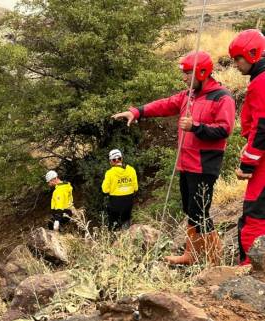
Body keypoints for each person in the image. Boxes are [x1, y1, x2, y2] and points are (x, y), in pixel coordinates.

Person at [112, 51, 235, 266]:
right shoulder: (188, 95)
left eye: (188, 73)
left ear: (203, 72)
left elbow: (225, 129)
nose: (185, 78)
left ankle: (214, 259)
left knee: (199, 212)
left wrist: (196, 127)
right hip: (186, 164)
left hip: (204, 165)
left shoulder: (222, 97)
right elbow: (165, 104)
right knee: (191, 210)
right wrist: (137, 112)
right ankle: (193, 255)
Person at [229, 29, 265, 265]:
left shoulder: (260, 83)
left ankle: (249, 272)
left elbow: (262, 127)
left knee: (254, 217)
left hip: (262, 165)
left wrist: (247, 163)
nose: (235, 64)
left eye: (238, 59)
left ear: (252, 54)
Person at [101, 149, 138, 231]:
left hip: (115, 202)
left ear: (111, 161)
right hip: (129, 200)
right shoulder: (131, 170)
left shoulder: (109, 173)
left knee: (113, 223)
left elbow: (105, 190)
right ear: (121, 158)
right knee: (126, 220)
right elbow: (135, 188)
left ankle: (114, 240)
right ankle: (127, 238)